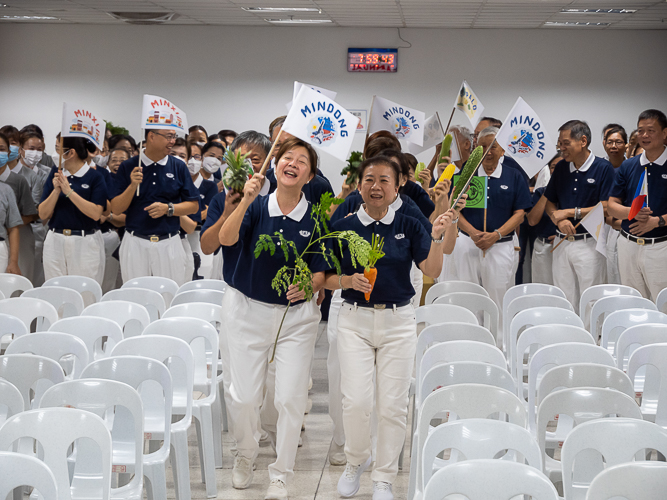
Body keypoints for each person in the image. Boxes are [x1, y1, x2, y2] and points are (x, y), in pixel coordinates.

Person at [324, 155, 459, 500]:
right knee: (355, 401)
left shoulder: (411, 223)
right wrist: (346, 280)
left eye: (385, 180)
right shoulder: (345, 225)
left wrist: (439, 236)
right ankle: (357, 460)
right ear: (359, 185)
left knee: (393, 406)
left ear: (398, 185)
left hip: (399, 322)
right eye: (369, 179)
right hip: (354, 320)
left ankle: (384, 475)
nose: (376, 187)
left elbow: (432, 267)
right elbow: (322, 279)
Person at [218, 137, 327, 500]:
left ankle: (281, 472)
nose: (292, 163)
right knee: (245, 398)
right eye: (286, 157)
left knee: (290, 398)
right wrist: (246, 199)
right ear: (276, 164)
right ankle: (245, 454)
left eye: (302, 161)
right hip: (247, 312)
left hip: (296, 319)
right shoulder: (256, 205)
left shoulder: (316, 218)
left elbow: (323, 271)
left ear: (310, 175)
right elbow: (225, 237)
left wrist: (310, 282)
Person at [455, 126, 532, 327]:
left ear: (503, 150)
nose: (488, 151)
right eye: (482, 146)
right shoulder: (467, 173)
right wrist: (472, 232)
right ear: (475, 149)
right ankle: (471, 340)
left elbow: (520, 213)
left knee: (497, 296)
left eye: (493, 146)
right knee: (469, 295)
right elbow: (455, 209)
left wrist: (496, 235)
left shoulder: (514, 175)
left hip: (500, 245)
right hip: (468, 244)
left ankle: (497, 345)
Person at [110, 128, 199, 286]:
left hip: (169, 242)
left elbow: (193, 206)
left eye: (174, 137)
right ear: (151, 136)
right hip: (134, 242)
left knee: (168, 295)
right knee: (135, 295)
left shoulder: (178, 166)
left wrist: (168, 209)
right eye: (169, 137)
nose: (172, 141)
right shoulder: (129, 166)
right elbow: (116, 209)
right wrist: (132, 186)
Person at [545, 120, 614, 313]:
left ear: (583, 141)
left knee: (590, 298)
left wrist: (570, 212)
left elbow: (607, 206)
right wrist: (558, 218)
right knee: (564, 296)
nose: (561, 148)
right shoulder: (560, 168)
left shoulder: (603, 168)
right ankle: (568, 338)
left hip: (589, 242)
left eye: (565, 143)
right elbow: (550, 201)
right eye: (559, 143)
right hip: (562, 241)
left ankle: (591, 339)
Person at [608, 109, 667, 300]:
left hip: (660, 246)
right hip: (628, 245)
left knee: (661, 303)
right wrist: (631, 212)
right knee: (633, 302)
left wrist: (657, 221)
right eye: (640, 130)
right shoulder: (628, 165)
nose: (644, 135)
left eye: (650, 130)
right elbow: (611, 205)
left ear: (664, 133)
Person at [38, 137, 107, 283]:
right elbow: (43, 213)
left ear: (71, 153)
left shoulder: (95, 176)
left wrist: (69, 192)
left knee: (84, 292)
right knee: (55, 290)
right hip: (55, 239)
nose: (55, 154)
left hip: (85, 241)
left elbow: (96, 213)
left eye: (58, 149)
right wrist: (56, 191)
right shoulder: (55, 173)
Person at [527, 153, 562, 284]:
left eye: (561, 165)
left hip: (565, 245)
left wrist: (561, 236)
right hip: (543, 247)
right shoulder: (541, 191)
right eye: (553, 166)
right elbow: (532, 221)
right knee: (543, 289)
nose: (557, 169)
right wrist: (549, 191)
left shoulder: (574, 191)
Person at [99, 147, 128, 292]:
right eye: (114, 160)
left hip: (123, 237)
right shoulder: (103, 178)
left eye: (122, 160)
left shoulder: (132, 184)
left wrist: (108, 216)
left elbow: (127, 217)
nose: (118, 164)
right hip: (99, 234)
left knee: (115, 283)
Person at [603, 125, 628, 284]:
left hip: (625, 225)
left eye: (618, 142)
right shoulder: (600, 168)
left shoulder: (631, 167)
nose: (613, 146)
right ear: (604, 143)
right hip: (603, 225)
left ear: (626, 145)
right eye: (610, 142)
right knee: (607, 274)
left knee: (623, 274)